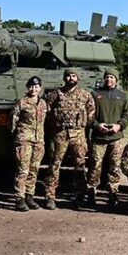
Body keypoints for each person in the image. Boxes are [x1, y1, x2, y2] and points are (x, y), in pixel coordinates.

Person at [42, 69, 96, 210]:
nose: (70, 78)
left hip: (78, 134)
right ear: (64, 78)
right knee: (54, 165)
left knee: (80, 165)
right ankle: (49, 196)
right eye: (68, 75)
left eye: (73, 75)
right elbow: (47, 115)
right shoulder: (55, 95)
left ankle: (79, 197)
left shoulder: (85, 95)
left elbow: (91, 115)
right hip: (60, 134)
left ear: (77, 78)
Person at [87, 67, 128, 208]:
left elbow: (126, 115)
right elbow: (88, 115)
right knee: (95, 165)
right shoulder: (95, 94)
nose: (109, 79)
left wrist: (119, 126)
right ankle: (92, 191)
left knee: (115, 166)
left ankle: (113, 192)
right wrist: (97, 125)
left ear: (116, 80)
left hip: (116, 137)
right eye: (107, 77)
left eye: (112, 77)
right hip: (99, 137)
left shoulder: (122, 96)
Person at [11, 76, 48, 212]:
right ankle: (19, 198)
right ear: (28, 88)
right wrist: (18, 137)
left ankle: (29, 196)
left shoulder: (43, 104)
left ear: (40, 88)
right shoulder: (21, 103)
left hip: (38, 141)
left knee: (34, 169)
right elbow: (13, 122)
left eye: (37, 86)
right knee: (23, 170)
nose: (34, 89)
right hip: (24, 140)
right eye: (31, 86)